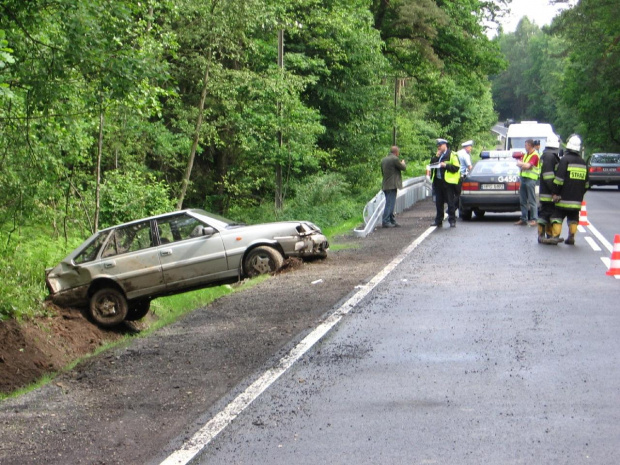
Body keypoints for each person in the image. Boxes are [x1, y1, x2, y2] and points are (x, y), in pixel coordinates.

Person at [543, 134, 589, 245]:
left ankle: (555, 237)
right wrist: (579, 194)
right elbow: (587, 184)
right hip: (576, 200)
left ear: (568, 147)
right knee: (573, 217)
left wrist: (555, 192)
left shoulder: (565, 160)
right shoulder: (583, 162)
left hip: (563, 199)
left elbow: (559, 180)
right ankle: (571, 237)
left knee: (556, 217)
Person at [536, 135, 562, 243]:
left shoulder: (546, 156)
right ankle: (544, 235)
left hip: (546, 192)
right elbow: (548, 177)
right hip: (549, 193)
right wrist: (554, 192)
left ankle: (545, 235)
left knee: (546, 213)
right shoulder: (550, 157)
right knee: (548, 214)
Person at [430, 138, 460, 227]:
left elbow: (456, 167)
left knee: (450, 202)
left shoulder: (451, 154)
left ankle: (452, 220)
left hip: (448, 183)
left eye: (440, 146)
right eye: (438, 146)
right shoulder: (438, 155)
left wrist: (446, 165)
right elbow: (432, 165)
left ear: (445, 145)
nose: (438, 147)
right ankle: (438, 220)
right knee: (439, 202)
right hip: (438, 182)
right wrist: (436, 157)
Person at [515, 139, 540, 226]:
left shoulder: (535, 155)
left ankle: (534, 219)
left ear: (530, 145)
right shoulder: (526, 154)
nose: (525, 147)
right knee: (523, 200)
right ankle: (524, 218)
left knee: (532, 200)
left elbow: (528, 165)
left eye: (526, 145)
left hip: (531, 179)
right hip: (523, 178)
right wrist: (523, 165)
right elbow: (519, 164)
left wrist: (523, 165)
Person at [381, 145, 406, 228]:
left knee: (390, 203)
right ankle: (386, 221)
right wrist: (403, 163)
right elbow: (403, 167)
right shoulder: (394, 159)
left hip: (385, 184)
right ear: (396, 152)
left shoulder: (384, 160)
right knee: (390, 203)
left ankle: (391, 220)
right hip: (392, 185)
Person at [455, 140, 474, 215]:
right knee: (460, 194)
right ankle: (452, 209)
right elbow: (470, 167)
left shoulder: (458, 153)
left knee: (456, 193)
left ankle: (455, 209)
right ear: (467, 147)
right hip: (462, 176)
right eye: (470, 147)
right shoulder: (465, 155)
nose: (471, 149)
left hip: (455, 176)